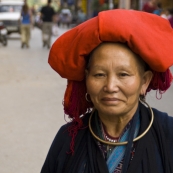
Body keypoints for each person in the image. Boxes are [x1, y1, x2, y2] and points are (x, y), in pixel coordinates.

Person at [41, 9, 173, 173]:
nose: (110, 86)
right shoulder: (68, 138)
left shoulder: (168, 133)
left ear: (144, 81)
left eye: (123, 74)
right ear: (87, 79)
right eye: (99, 74)